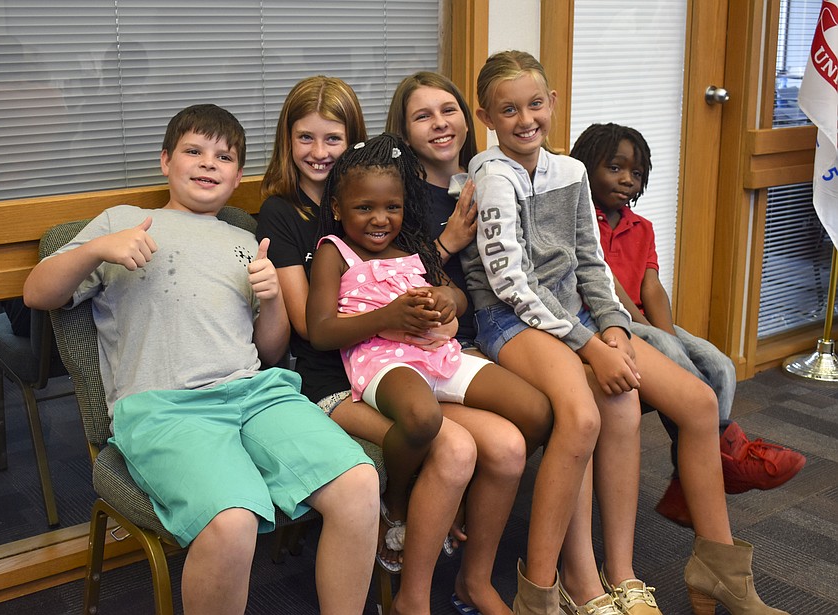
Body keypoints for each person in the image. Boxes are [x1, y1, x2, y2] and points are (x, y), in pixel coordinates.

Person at [464, 50, 788, 615]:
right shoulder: (492, 177)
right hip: (513, 320)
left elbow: (592, 263)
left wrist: (612, 327)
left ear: (553, 103)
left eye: (535, 104)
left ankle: (714, 571)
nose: (525, 119)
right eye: (508, 110)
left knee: (697, 400)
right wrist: (589, 345)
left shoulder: (568, 172)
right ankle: (558, 586)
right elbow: (510, 282)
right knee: (610, 400)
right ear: (487, 117)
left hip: (580, 316)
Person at [23, 103, 379, 615]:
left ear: (238, 177)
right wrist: (97, 249)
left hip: (257, 394)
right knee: (232, 521)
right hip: (166, 408)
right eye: (194, 151)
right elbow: (38, 294)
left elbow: (272, 349)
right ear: (166, 161)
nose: (209, 164)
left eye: (225, 157)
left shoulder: (244, 238)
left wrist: (274, 297)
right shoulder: (122, 223)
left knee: (359, 483)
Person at [257, 76, 533, 615]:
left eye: (333, 139)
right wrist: (397, 315)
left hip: (414, 363)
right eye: (306, 138)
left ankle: (467, 579)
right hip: (337, 382)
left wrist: (440, 310)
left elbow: (416, 277)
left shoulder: (386, 198)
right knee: (456, 449)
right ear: (287, 142)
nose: (319, 152)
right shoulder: (283, 214)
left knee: (508, 445)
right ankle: (410, 580)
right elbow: (313, 328)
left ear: (355, 141)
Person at [570, 121, 806, 527]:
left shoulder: (641, 227)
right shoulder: (578, 218)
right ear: (585, 167)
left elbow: (652, 286)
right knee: (668, 350)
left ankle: (688, 478)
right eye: (615, 167)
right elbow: (606, 286)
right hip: (600, 324)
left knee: (720, 365)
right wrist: (657, 338)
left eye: (636, 173)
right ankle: (726, 451)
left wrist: (666, 334)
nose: (627, 179)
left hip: (640, 321)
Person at [385, 70, 554, 614]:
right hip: (422, 350)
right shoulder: (399, 197)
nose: (440, 123)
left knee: (561, 409)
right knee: (505, 441)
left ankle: (477, 565)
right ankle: (437, 569)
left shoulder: (490, 178)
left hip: (496, 331)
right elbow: (389, 289)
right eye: (422, 115)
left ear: (469, 116)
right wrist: (447, 241)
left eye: (448, 109)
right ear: (405, 132)